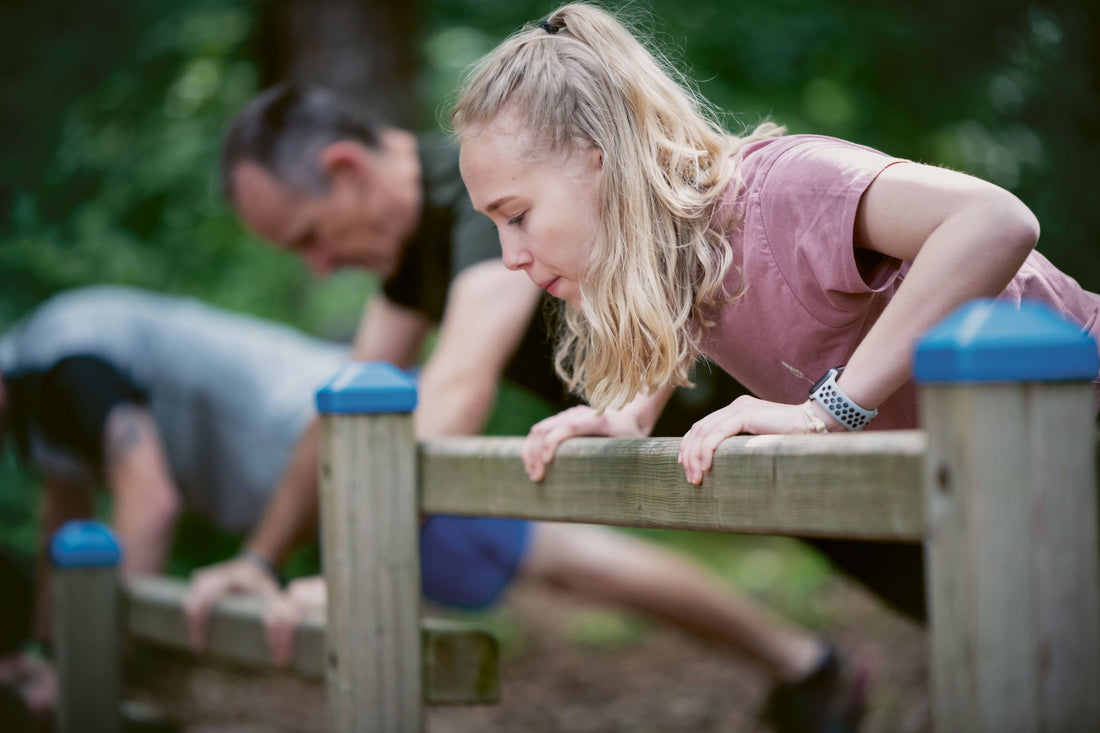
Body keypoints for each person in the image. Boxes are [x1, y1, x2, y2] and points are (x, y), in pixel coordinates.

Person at [199, 82, 867, 732]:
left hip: (789, 395)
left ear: (345, 168)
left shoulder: (475, 195)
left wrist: (354, 567)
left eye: (309, 235)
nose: (318, 265)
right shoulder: (410, 253)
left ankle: (827, 672)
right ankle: (815, 673)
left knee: (932, 562)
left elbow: (457, 387)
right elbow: (343, 413)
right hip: (699, 428)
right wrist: (259, 559)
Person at [451, 0, 1100, 646]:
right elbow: (690, 295)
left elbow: (994, 220)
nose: (511, 257)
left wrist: (826, 410)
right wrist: (629, 414)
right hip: (1014, 484)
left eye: (517, 215)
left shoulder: (783, 189)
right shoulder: (687, 253)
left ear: (599, 158)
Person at [0, 285, 353, 730]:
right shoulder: (36, 382)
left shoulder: (68, 365)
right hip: (311, 472)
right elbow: (66, 514)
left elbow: (150, 503)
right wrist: (44, 652)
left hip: (346, 434)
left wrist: (86, 666)